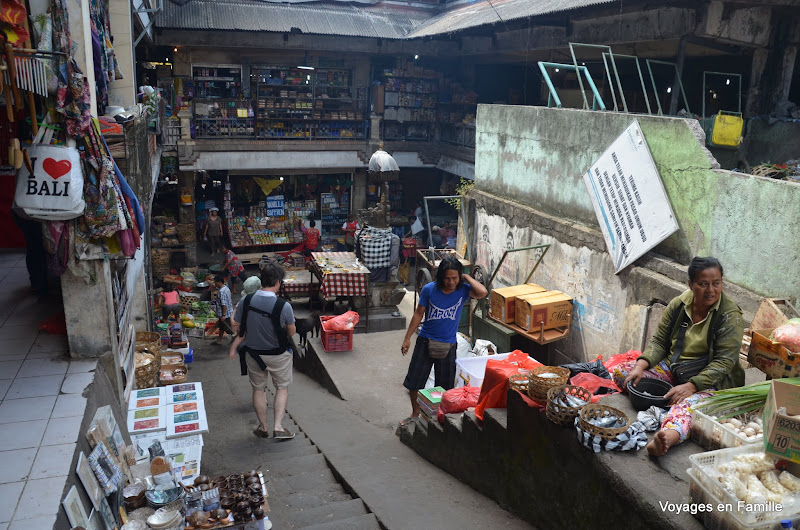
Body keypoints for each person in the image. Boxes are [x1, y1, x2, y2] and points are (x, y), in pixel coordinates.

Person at [617, 257, 745, 456]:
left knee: (686, 407)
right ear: (691, 285)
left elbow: (724, 362)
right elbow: (660, 341)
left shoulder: (729, 315)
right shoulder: (679, 304)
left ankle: (667, 437)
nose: (711, 290)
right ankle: (666, 398)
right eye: (703, 284)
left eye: (716, 283)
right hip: (676, 367)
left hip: (712, 380)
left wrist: (692, 386)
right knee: (625, 373)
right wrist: (641, 366)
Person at [400, 256, 488, 425]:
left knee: (445, 388)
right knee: (414, 382)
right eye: (447, 278)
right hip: (425, 341)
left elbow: (482, 292)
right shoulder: (429, 290)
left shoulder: (463, 290)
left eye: (455, 277)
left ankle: (438, 416)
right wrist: (407, 338)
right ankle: (415, 413)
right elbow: (419, 314)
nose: (451, 282)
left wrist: (467, 277)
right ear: (440, 277)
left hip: (449, 345)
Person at [229, 263, 297, 440]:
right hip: (278, 355)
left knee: (258, 389)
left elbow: (235, 324)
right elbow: (291, 332)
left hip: (253, 354)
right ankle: (278, 427)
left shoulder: (247, 300)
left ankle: (263, 427)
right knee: (281, 388)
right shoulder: (284, 306)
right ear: (277, 282)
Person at [212, 274, 234, 345]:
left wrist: (223, 315)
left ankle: (238, 341)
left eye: (215, 282)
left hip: (225, 314)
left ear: (219, 282)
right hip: (228, 312)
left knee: (229, 329)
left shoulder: (222, 292)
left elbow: (223, 304)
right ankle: (219, 340)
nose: (215, 284)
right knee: (222, 327)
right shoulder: (226, 288)